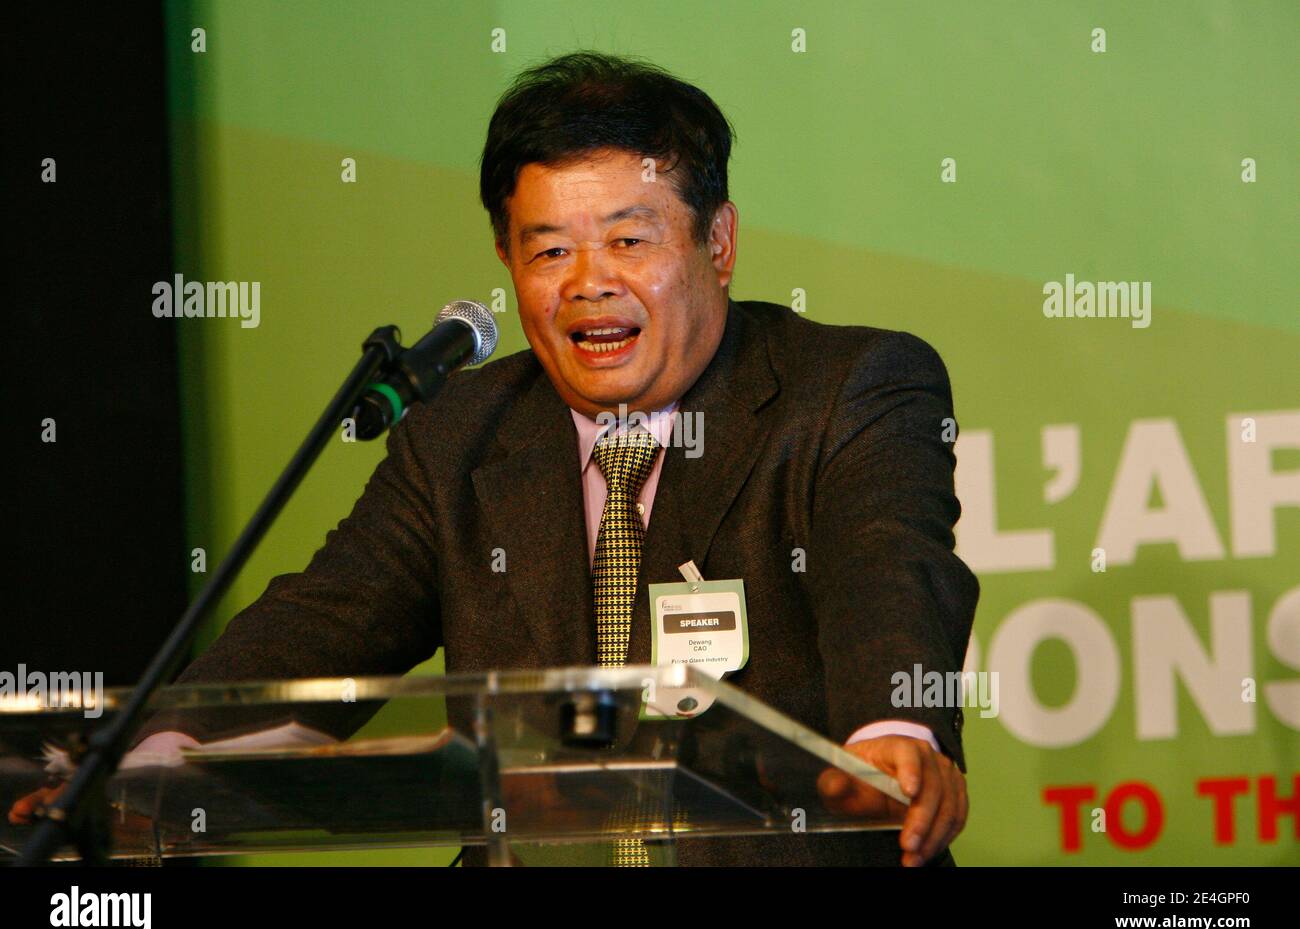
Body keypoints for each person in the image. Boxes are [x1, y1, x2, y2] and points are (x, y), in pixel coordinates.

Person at [13, 51, 978, 866]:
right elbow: (323, 621)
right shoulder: (462, 430)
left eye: (630, 240)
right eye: (549, 251)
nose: (590, 285)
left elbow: (887, 567)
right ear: (509, 263)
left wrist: (894, 735)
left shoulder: (845, 387)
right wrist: (140, 769)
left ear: (717, 244)